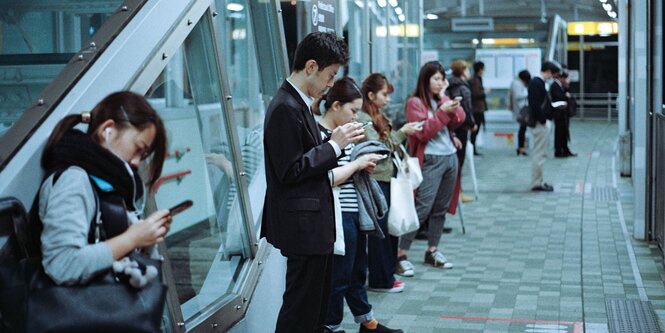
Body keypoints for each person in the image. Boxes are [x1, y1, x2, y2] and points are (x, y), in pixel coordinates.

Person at [261, 32, 365, 333]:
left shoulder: (297, 103)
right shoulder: (285, 107)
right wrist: (334, 145)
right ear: (310, 67)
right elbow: (290, 169)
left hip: (312, 226)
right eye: (330, 75)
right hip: (302, 227)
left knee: (313, 312)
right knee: (300, 312)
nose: (331, 84)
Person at [38, 91, 170, 286]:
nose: (136, 162)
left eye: (143, 155)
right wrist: (132, 239)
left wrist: (145, 236)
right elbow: (62, 264)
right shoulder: (74, 180)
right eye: (137, 148)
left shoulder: (107, 182)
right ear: (107, 130)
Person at [317, 77, 403, 333]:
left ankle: (368, 322)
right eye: (352, 110)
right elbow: (327, 179)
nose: (355, 117)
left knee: (356, 272)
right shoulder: (322, 136)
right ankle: (332, 326)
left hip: (353, 212)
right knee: (340, 276)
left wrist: (361, 162)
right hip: (338, 215)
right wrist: (357, 164)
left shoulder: (342, 135)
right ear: (335, 106)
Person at [397, 61, 465, 276]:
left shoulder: (441, 100)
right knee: (422, 208)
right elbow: (423, 132)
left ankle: (432, 250)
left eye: (442, 79)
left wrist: (444, 99)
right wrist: (442, 113)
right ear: (425, 80)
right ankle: (400, 254)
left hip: (450, 158)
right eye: (436, 79)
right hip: (431, 160)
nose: (439, 83)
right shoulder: (415, 103)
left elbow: (460, 119)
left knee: (441, 208)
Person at [357, 73, 421, 291]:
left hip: (386, 177)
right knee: (381, 232)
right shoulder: (363, 118)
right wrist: (403, 132)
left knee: (389, 228)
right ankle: (380, 279)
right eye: (384, 94)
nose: (388, 99)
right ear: (371, 95)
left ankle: (386, 275)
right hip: (376, 180)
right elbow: (379, 148)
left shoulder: (375, 114)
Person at [528, 60, 561, 192]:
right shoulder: (537, 83)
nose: (551, 78)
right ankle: (537, 182)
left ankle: (538, 181)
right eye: (552, 75)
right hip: (539, 123)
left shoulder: (537, 82)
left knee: (540, 153)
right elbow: (535, 105)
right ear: (547, 71)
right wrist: (543, 120)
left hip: (539, 122)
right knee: (540, 154)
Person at [446, 60, 477, 204]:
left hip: (452, 126)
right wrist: (472, 123)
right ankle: (458, 193)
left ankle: (455, 192)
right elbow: (467, 108)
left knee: (455, 161)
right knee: (459, 161)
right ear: (463, 70)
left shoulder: (450, 85)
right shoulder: (463, 87)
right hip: (462, 127)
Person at [551, 70, 577, 158]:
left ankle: (565, 149)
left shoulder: (561, 85)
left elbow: (567, 93)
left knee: (564, 131)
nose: (565, 80)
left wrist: (567, 86)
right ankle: (558, 150)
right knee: (559, 132)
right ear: (560, 77)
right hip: (558, 112)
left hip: (563, 112)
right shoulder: (554, 85)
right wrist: (566, 96)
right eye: (565, 78)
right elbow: (558, 97)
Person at [510, 70, 531, 156]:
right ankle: (520, 147)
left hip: (522, 109)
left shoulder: (517, 83)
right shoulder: (516, 83)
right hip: (520, 110)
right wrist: (527, 93)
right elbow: (518, 95)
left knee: (523, 128)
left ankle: (520, 147)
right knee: (522, 129)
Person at [469, 61, 487, 156]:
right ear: (480, 69)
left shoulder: (477, 79)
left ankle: (473, 149)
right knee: (475, 130)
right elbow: (476, 94)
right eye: (483, 69)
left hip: (478, 108)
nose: (484, 71)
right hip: (476, 109)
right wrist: (485, 92)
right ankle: (473, 149)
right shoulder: (475, 80)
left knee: (476, 130)